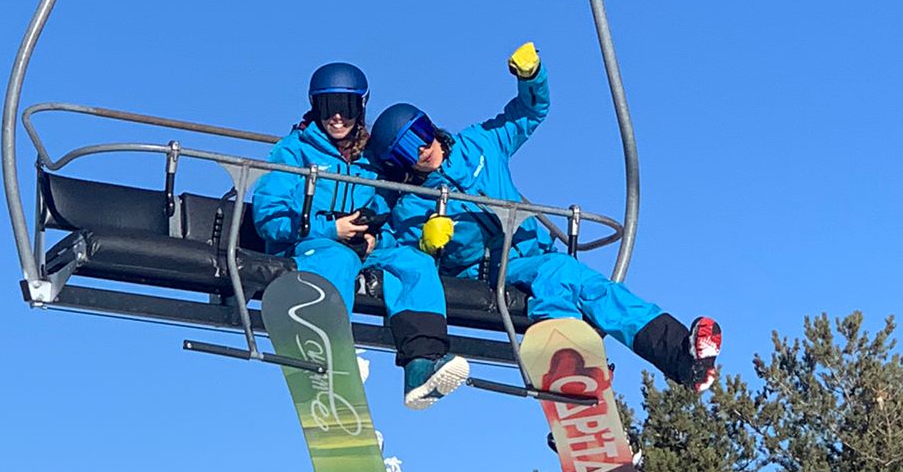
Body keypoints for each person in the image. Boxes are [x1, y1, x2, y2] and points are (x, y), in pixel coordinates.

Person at [366, 43, 721, 393]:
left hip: (532, 250)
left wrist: (531, 77)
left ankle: (681, 355)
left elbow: (529, 113)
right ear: (398, 163)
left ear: (431, 127)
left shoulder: (480, 144)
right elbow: (400, 254)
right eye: (406, 149)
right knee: (561, 278)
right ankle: (573, 378)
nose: (423, 150)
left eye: (421, 134)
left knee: (591, 291)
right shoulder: (413, 204)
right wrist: (428, 244)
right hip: (490, 272)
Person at [251, 61, 469, 409]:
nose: (337, 118)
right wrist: (329, 229)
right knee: (337, 256)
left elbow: (391, 220)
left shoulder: (373, 162)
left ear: (361, 108)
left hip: (360, 251)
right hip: (307, 245)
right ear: (314, 106)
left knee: (412, 261)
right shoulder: (294, 152)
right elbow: (269, 216)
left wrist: (373, 240)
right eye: (328, 107)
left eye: (347, 108)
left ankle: (422, 364)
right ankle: (329, 352)